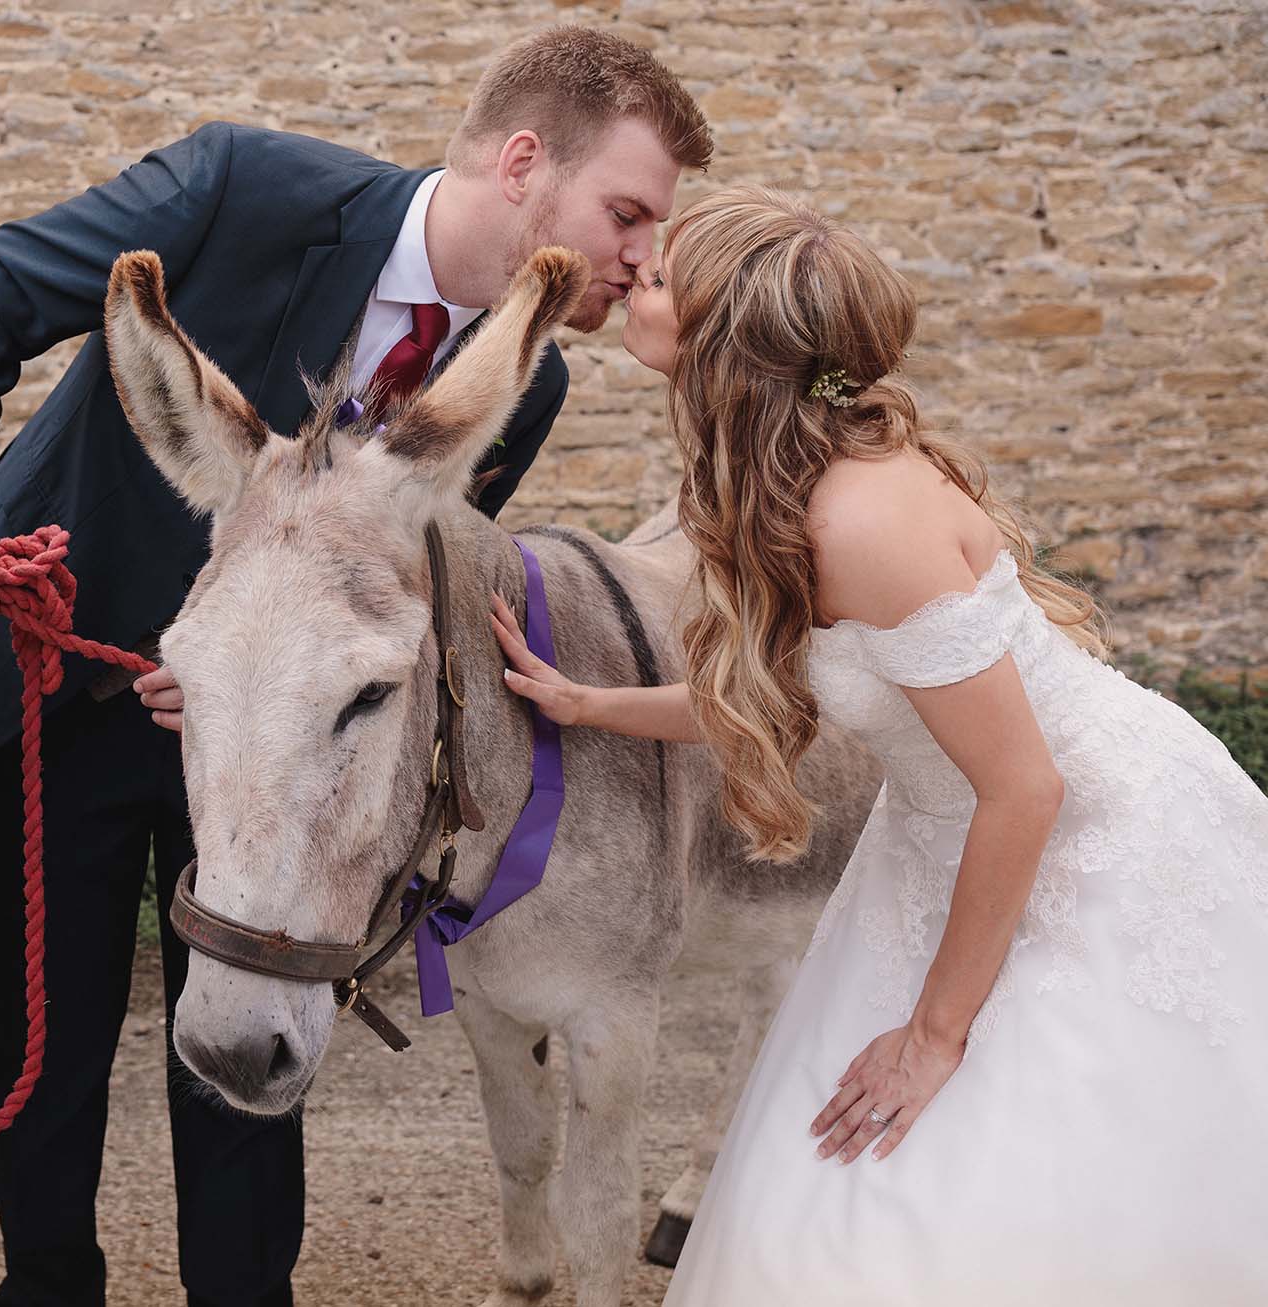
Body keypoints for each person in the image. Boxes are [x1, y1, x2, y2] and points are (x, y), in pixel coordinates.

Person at [0, 25, 712, 1307]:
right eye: (626, 213)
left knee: (258, 1038)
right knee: (50, 1040)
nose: (641, 259)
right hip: (76, 690)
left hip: (303, 746)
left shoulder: (520, 385)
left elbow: (410, 594)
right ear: (521, 163)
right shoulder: (241, 187)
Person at [490, 184, 1268, 1304]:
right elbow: (795, 687)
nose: (635, 274)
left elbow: (1022, 786)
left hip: (1085, 843)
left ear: (730, 340)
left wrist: (933, 1034)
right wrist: (593, 705)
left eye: (662, 276)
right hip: (940, 843)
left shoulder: (863, 517)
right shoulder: (776, 472)